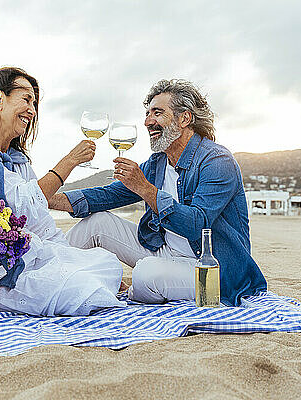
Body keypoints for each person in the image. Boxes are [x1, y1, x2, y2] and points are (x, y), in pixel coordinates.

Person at [49, 79, 267, 307]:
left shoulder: (217, 161)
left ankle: (118, 289)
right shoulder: (158, 163)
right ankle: (45, 277)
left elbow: (197, 224)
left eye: (157, 113)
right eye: (147, 114)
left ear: (185, 118)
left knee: (146, 274)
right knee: (98, 222)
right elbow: (107, 196)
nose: (147, 122)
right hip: (165, 252)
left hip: (211, 270)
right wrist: (45, 199)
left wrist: (144, 187)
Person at [0, 67, 125, 316]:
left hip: (29, 253)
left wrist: (67, 257)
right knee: (86, 290)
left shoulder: (16, 159)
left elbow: (40, 222)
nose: (32, 110)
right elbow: (23, 207)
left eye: (34, 103)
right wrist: (70, 161)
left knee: (106, 265)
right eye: (26, 99)